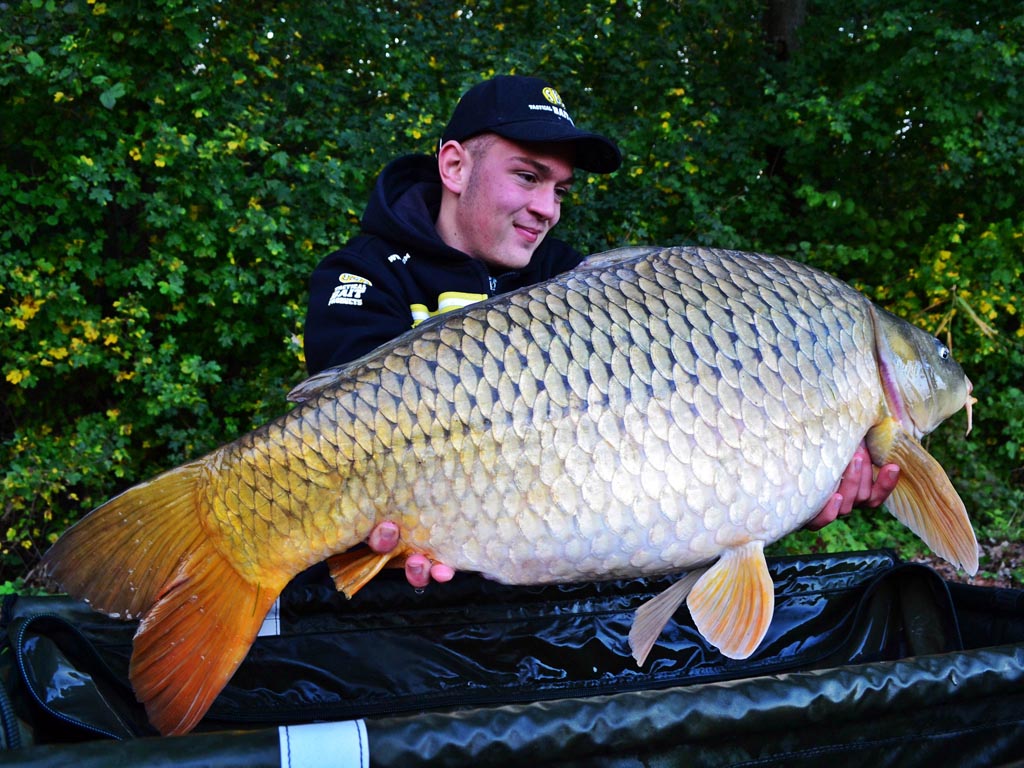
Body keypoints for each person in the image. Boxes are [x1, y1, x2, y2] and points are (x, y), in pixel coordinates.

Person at [303, 75, 900, 589]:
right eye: (528, 177)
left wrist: (786, 490)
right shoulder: (363, 275)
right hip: (413, 614)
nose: (548, 208)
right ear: (455, 166)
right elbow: (347, 434)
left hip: (537, 595)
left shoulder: (573, 285)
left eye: (559, 190)